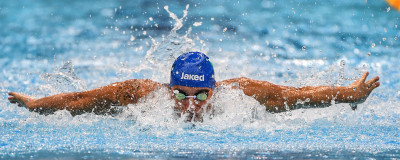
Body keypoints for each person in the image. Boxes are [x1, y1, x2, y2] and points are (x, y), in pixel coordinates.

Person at [8, 52, 380, 120]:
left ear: (214, 89)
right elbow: (83, 99)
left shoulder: (243, 93)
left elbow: (299, 98)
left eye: (201, 95)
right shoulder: (141, 94)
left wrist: (351, 95)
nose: (190, 105)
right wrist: (35, 104)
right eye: (180, 95)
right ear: (167, 87)